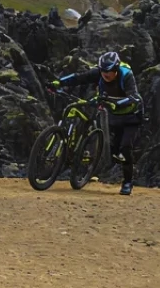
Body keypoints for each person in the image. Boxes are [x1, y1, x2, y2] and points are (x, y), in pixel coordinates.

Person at [52, 50, 146, 194]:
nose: (104, 74)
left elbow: (134, 97)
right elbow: (79, 78)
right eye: (102, 71)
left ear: (115, 69)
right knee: (113, 150)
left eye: (108, 71)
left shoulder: (126, 75)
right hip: (113, 115)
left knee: (125, 148)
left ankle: (127, 182)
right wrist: (59, 82)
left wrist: (118, 103)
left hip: (131, 116)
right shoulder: (100, 73)